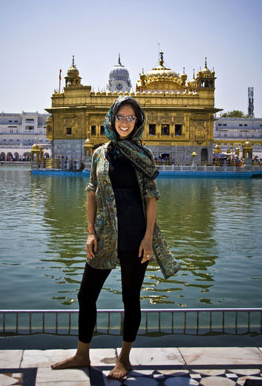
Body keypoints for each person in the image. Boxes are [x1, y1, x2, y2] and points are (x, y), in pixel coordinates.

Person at [52, 96, 179, 379]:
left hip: (135, 234)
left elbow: (151, 198)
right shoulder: (100, 153)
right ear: (111, 119)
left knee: (130, 298)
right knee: (86, 295)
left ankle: (124, 358)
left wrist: (148, 238)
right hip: (105, 233)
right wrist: (89, 232)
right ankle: (82, 354)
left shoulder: (142, 154)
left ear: (138, 122)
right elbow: (91, 192)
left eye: (130, 118)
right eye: (120, 116)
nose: (124, 122)